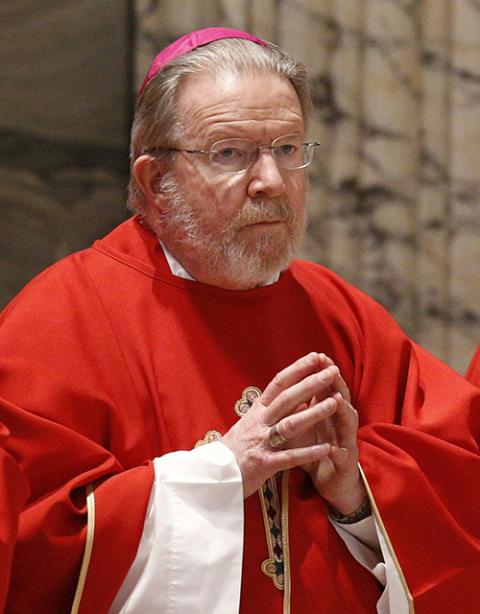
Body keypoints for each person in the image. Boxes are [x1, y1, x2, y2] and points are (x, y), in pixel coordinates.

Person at [1, 26, 480, 614]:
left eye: (287, 149)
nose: (272, 181)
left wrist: (360, 497)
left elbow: (458, 498)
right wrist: (221, 472)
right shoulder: (56, 325)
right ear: (156, 181)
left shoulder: (345, 318)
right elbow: (31, 552)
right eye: (231, 153)